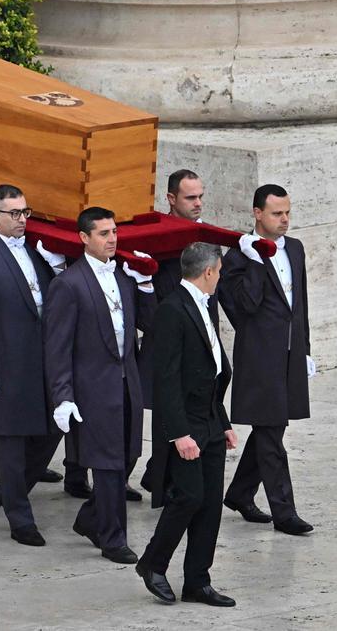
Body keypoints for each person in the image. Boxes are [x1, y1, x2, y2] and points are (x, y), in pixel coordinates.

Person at [45, 207, 156, 564]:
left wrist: (145, 284)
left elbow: (148, 324)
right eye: (104, 234)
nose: (112, 239)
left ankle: (90, 519)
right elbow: (57, 346)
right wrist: (62, 397)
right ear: (84, 238)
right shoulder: (69, 284)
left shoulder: (123, 279)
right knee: (108, 467)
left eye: (113, 232)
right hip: (92, 389)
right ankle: (113, 538)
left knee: (126, 457)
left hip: (127, 384)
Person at [136, 242, 238, 607]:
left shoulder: (203, 304)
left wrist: (222, 421)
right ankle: (152, 563)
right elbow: (165, 379)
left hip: (209, 418)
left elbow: (210, 369)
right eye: (219, 271)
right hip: (187, 425)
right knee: (190, 496)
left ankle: (197, 581)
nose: (220, 277)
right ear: (209, 271)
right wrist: (179, 433)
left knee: (211, 503)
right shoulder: (172, 311)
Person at [0, 184, 62, 546]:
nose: (22, 220)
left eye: (25, 212)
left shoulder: (34, 252)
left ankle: (8, 490)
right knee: (12, 443)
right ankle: (20, 519)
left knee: (53, 430)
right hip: (5, 363)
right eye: (14, 213)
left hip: (40, 361)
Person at [217, 184, 315, 536]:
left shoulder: (297, 249)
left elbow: (299, 304)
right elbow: (244, 307)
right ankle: (284, 512)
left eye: (287, 212)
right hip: (259, 359)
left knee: (269, 429)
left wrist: (304, 349)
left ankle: (240, 493)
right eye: (277, 213)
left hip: (289, 354)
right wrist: (258, 261)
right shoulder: (238, 258)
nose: (285, 219)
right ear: (257, 213)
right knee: (272, 434)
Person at [136, 168, 214, 497]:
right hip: (166, 338)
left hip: (198, 339)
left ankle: (159, 475)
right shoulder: (155, 240)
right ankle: (163, 483)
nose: (198, 203)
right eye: (190, 197)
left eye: (200, 197)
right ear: (170, 199)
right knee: (167, 411)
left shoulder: (202, 238)